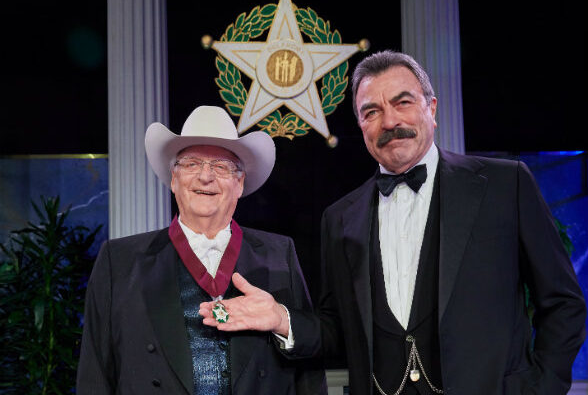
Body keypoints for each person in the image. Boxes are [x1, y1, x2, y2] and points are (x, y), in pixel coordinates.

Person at [199, 51, 587, 394]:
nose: (389, 121)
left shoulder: (506, 184)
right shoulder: (339, 218)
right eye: (371, 112)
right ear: (361, 126)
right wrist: (280, 319)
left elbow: (563, 303)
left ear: (431, 108)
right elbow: (337, 330)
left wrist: (538, 388)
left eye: (403, 102)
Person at [76, 105, 326, 394]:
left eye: (221, 166)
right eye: (192, 164)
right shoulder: (118, 261)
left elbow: (310, 368)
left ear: (239, 183)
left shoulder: (279, 254)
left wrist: (282, 319)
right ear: (174, 179)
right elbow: (94, 377)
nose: (205, 177)